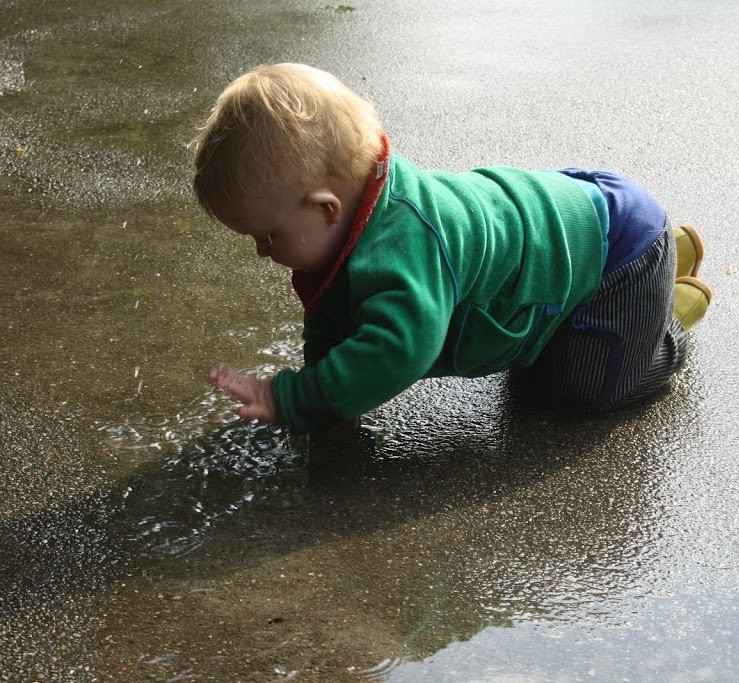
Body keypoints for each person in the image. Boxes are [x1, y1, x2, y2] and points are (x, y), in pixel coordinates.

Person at [191, 63, 712, 434]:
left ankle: (660, 320)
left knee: (572, 392)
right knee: (536, 377)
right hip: (579, 230)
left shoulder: (405, 243)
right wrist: (325, 398)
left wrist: (291, 399)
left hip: (616, 246)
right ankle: (652, 279)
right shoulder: (348, 223)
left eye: (267, 236)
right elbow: (335, 323)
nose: (262, 252)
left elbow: (398, 349)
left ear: (326, 207)